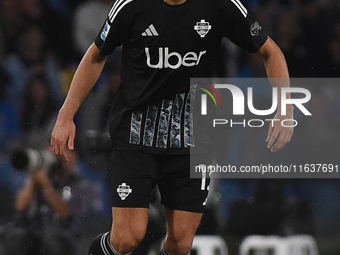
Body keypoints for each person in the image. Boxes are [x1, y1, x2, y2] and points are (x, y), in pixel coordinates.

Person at [50, 0, 294, 254]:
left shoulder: (220, 5)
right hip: (136, 136)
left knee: (180, 243)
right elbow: (95, 55)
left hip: (192, 140)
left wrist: (285, 109)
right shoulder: (132, 6)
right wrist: (66, 115)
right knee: (127, 238)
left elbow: (271, 51)